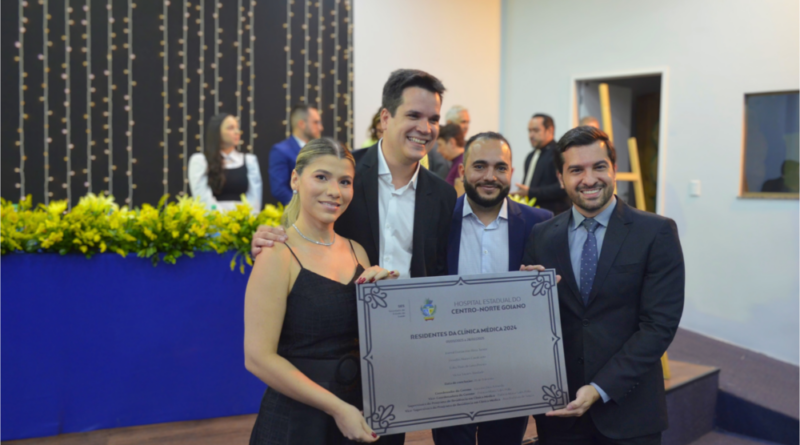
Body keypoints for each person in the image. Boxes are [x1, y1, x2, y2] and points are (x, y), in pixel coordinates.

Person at [251, 69, 457, 444]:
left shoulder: (442, 196)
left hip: (396, 371)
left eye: (433, 119)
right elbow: (307, 225)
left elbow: (441, 273)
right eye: (413, 115)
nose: (424, 128)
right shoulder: (345, 172)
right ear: (385, 118)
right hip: (321, 371)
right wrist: (268, 239)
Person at [522, 126, 685, 445]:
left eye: (598, 166)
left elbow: (658, 327)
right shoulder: (541, 236)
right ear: (560, 178)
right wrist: (526, 297)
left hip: (630, 413)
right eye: (576, 170)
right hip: (561, 414)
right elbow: (536, 328)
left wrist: (600, 389)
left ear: (615, 169)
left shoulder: (656, 232)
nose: (589, 179)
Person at [245, 138, 399, 444]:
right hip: (298, 422)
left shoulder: (357, 251)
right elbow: (258, 357)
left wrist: (387, 297)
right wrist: (337, 408)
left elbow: (371, 341)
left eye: (345, 181)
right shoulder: (277, 253)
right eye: (321, 177)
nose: (334, 191)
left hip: (356, 414)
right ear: (295, 180)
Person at [432, 132, 553, 445]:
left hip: (511, 375)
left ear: (512, 173)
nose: (490, 176)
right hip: (449, 372)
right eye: (479, 166)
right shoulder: (437, 223)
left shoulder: (540, 224)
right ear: (462, 171)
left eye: (500, 168)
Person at [188, 113, 262, 211]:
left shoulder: (249, 160)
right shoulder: (200, 160)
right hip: (213, 220)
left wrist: (247, 220)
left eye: (237, 128)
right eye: (230, 128)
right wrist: (224, 219)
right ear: (217, 131)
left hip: (244, 220)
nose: (237, 132)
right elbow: (202, 197)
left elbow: (255, 198)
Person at [513, 113, 571, 215]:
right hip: (532, 215)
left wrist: (530, 192)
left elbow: (564, 187)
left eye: (536, 130)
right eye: (529, 131)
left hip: (554, 216)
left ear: (550, 130)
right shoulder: (530, 156)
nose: (531, 135)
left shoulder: (560, 153)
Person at [269, 104, 324, 205]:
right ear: (302, 124)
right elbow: (279, 189)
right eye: (316, 122)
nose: (321, 128)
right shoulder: (280, 151)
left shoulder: (321, 151)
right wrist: (304, 207)